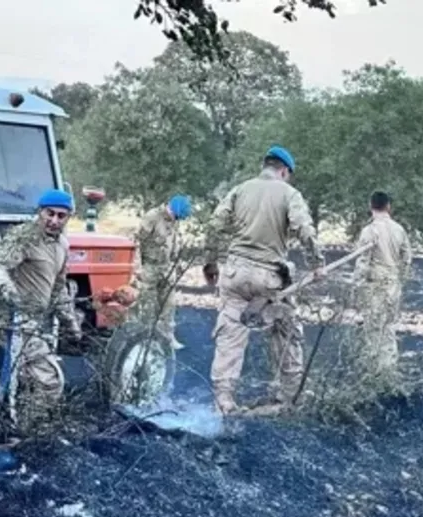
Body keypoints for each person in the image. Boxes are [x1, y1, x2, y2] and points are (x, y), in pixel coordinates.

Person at [202, 145, 325, 414]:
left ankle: (224, 400)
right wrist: (317, 265)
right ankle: (291, 393)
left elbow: (213, 225)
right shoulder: (289, 193)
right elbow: (305, 229)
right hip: (269, 277)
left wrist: (210, 263)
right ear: (283, 170)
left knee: (230, 332)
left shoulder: (240, 190)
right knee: (287, 329)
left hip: (234, 274)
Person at [0, 188, 85, 428]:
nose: (54, 220)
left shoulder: (62, 245)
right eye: (49, 213)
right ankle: (26, 431)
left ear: (68, 217)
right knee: (49, 381)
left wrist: (70, 323)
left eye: (61, 216)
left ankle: (16, 427)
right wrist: (9, 292)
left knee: (18, 385)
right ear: (39, 211)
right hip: (12, 322)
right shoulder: (24, 237)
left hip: (33, 325)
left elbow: (58, 289)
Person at [350, 190, 413, 378]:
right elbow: (407, 258)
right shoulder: (399, 229)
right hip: (393, 284)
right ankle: (389, 369)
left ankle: (375, 370)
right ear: (388, 207)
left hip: (375, 285)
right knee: (388, 327)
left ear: (371, 207)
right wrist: (400, 278)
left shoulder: (369, 231)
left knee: (373, 328)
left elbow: (362, 262)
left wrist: (357, 287)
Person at [133, 194, 192, 350]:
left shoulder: (174, 221)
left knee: (169, 306)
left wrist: (177, 263)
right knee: (147, 308)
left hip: (167, 269)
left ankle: (167, 339)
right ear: (171, 208)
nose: (177, 220)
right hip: (149, 269)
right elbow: (137, 241)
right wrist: (137, 268)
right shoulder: (152, 217)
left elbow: (172, 243)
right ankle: (145, 343)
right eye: (176, 216)